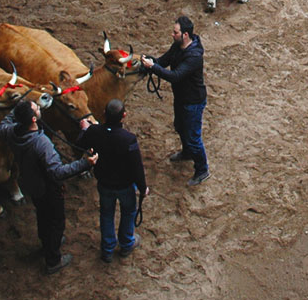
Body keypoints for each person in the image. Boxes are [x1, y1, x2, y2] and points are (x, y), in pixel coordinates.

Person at [0, 97, 97, 274]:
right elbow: (58, 172)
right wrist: (85, 163)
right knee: (57, 221)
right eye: (36, 108)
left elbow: (2, 125)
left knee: (42, 217)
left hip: (31, 183)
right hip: (49, 188)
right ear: (34, 119)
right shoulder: (41, 143)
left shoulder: (12, 132)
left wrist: (18, 107)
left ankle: (46, 243)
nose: (38, 107)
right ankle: (53, 259)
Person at [74, 98, 147, 262]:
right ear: (124, 116)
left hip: (104, 183)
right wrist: (143, 188)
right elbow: (137, 167)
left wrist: (85, 130)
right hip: (125, 185)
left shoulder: (94, 132)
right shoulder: (128, 139)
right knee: (128, 212)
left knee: (106, 214)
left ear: (104, 114)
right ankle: (127, 243)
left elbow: (80, 143)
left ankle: (107, 249)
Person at [142, 15, 210, 186]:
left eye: (175, 32)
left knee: (194, 138)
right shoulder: (177, 46)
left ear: (185, 35)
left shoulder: (194, 56)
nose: (172, 34)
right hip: (181, 98)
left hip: (193, 101)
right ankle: (187, 152)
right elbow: (164, 61)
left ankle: (202, 170)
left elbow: (176, 76)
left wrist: (154, 68)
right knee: (180, 127)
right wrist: (151, 62)